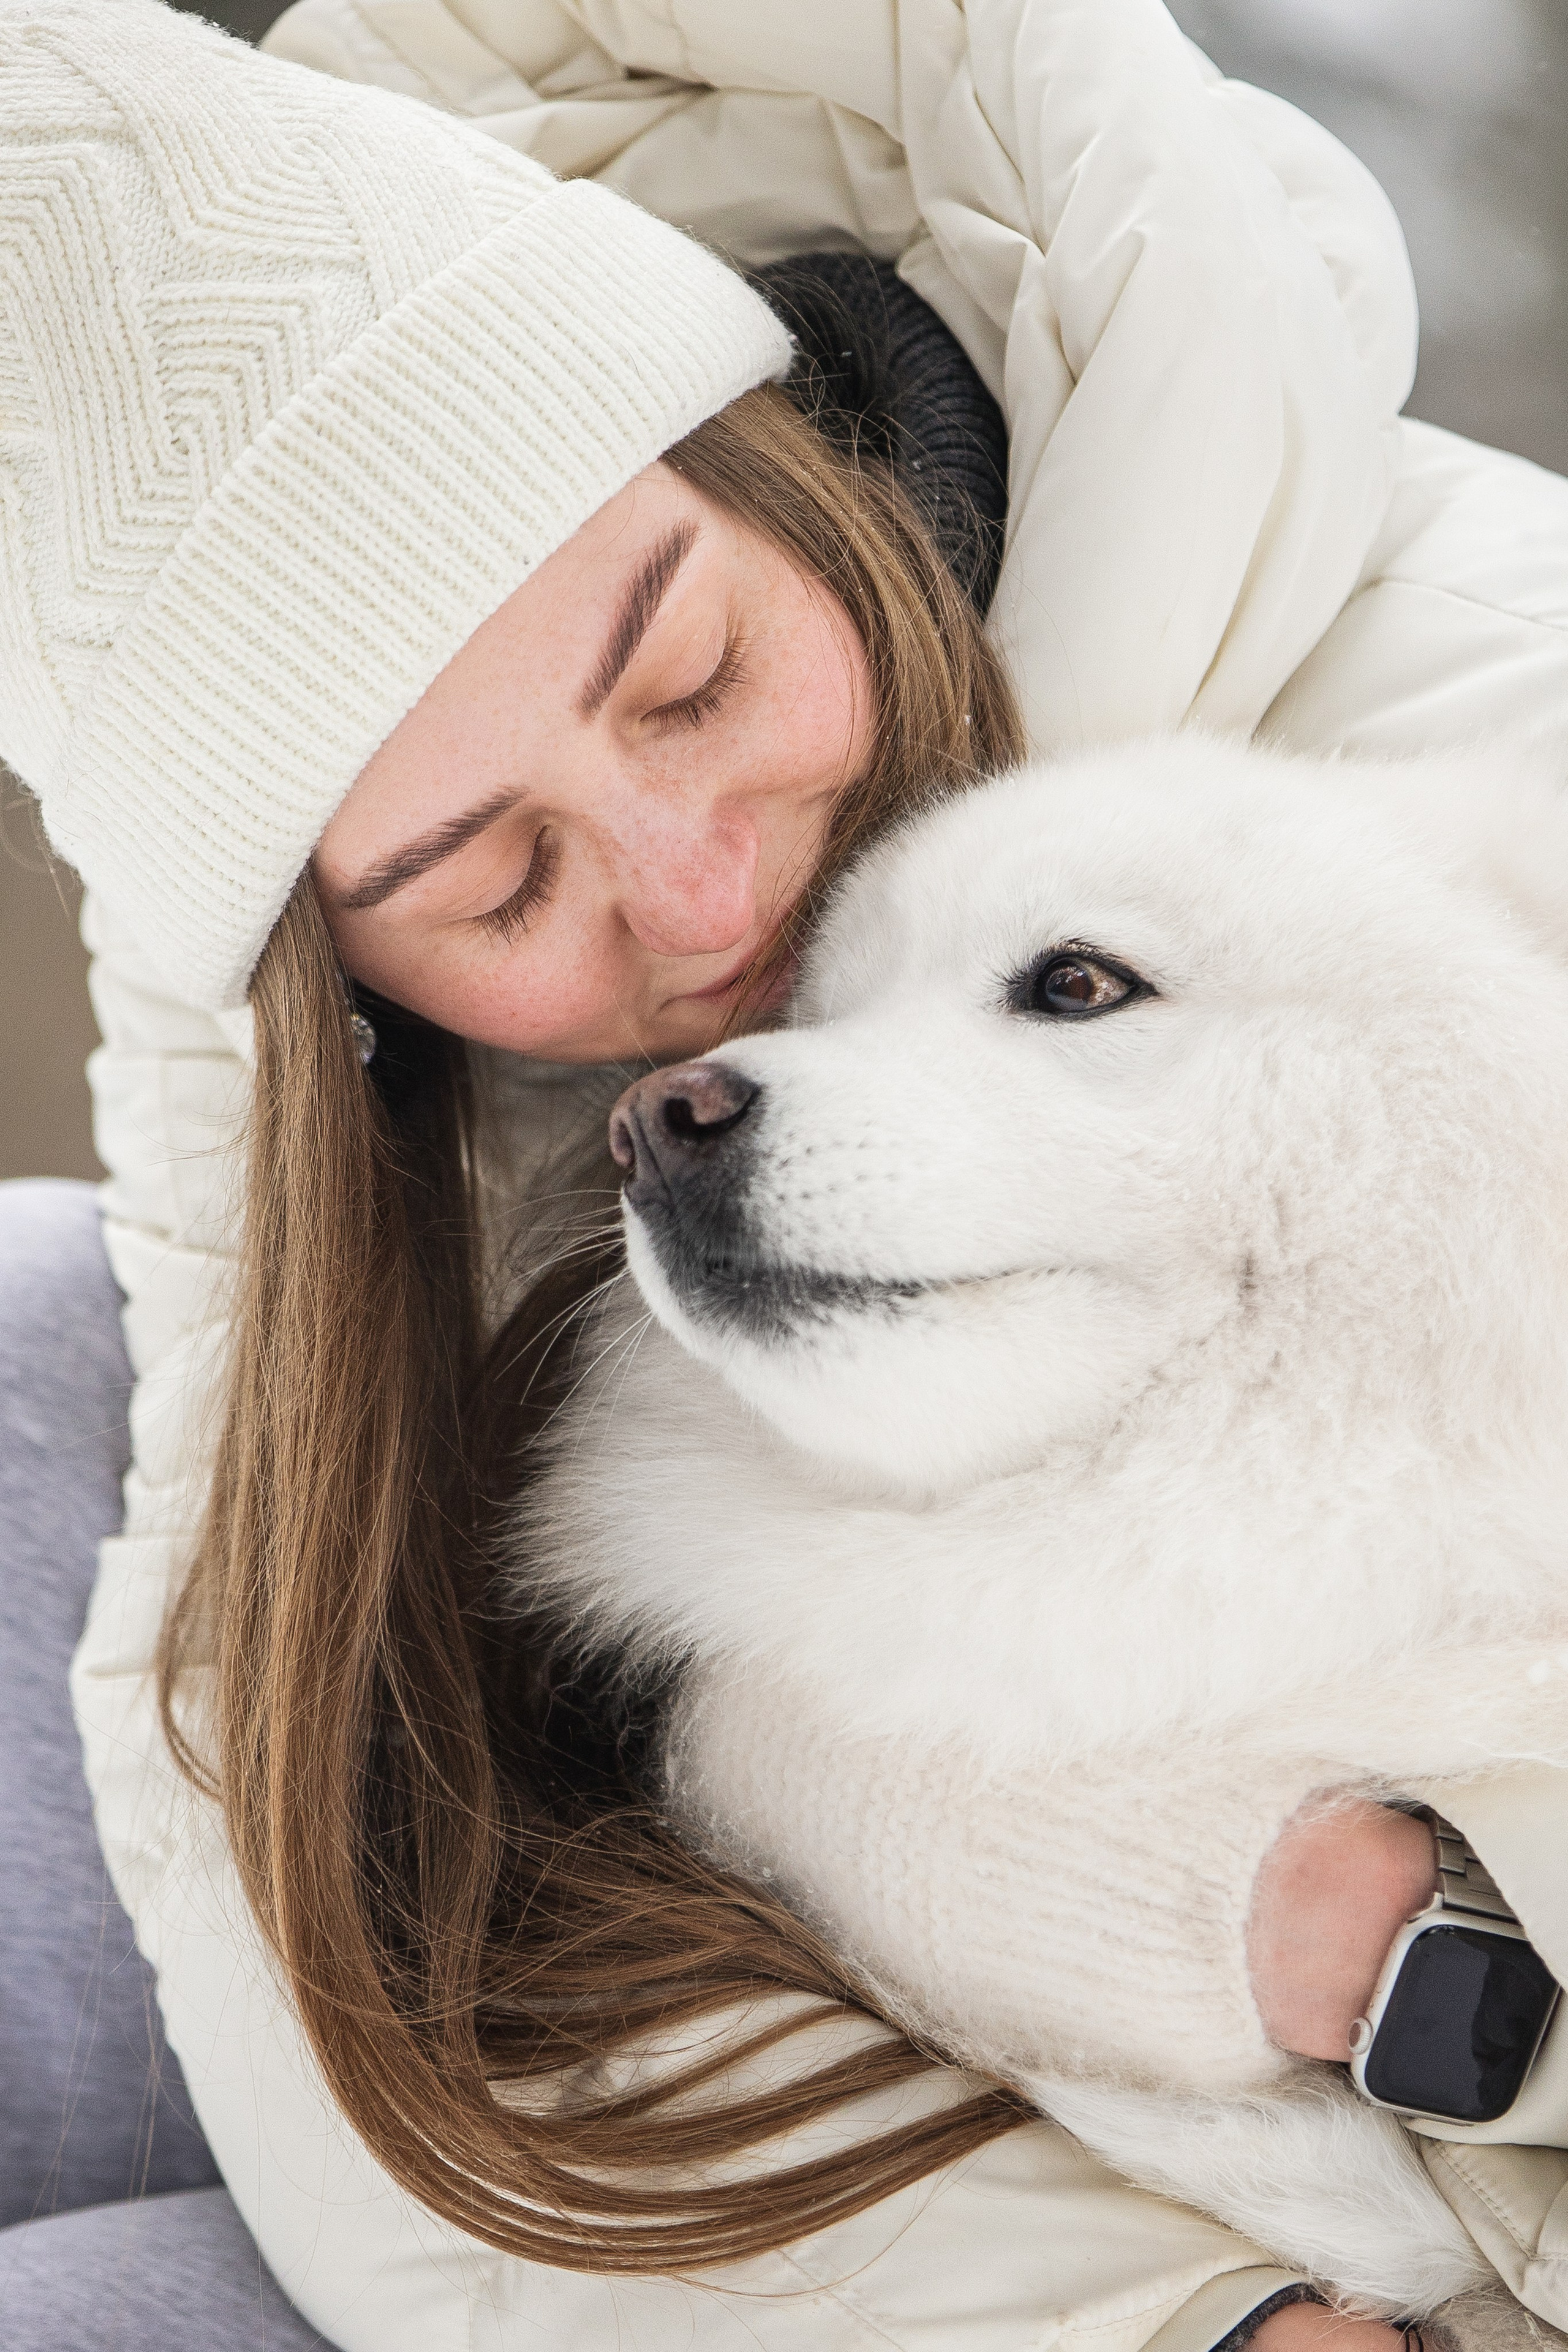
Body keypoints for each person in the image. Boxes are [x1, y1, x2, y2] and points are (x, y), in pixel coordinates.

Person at [2, 0, 1568, 2345]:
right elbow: (266, 1839)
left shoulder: (1481, 700)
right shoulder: (324, 1071)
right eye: (497, 883)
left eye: (697, 676)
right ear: (345, 985)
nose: (701, 894)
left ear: (814, 465)